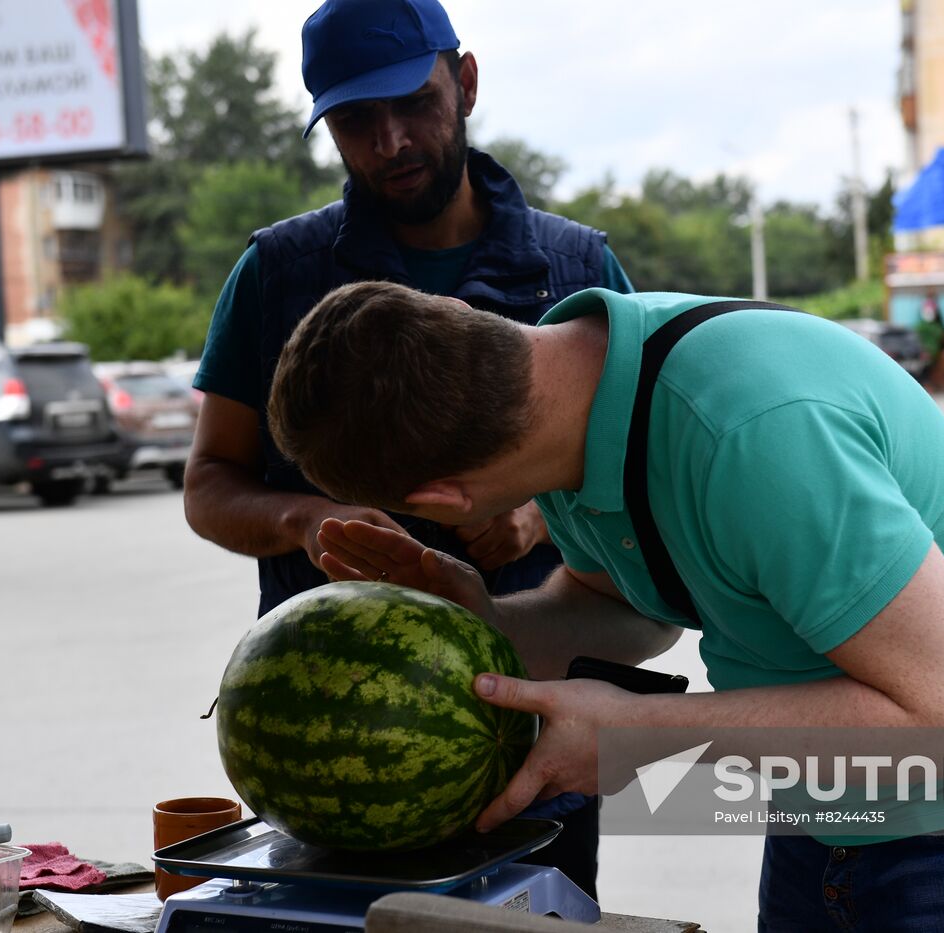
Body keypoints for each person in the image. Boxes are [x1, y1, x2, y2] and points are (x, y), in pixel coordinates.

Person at [265, 282, 944, 930]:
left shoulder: (749, 432)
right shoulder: (560, 413)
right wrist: (487, 617)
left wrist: (640, 734)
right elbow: (638, 613)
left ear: (443, 496)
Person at [182, 0, 631, 896]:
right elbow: (207, 485)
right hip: (338, 745)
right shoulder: (276, 273)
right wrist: (304, 515)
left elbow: (639, 486)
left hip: (535, 717)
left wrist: (542, 518)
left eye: (414, 104)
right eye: (355, 120)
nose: (390, 141)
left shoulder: (578, 272)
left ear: (464, 81)